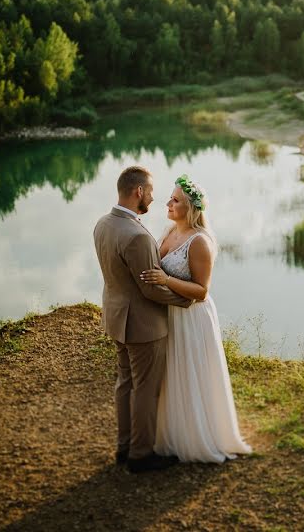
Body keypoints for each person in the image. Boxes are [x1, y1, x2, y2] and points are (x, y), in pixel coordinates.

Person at [140, 174, 252, 463]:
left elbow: (202, 291)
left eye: (175, 200)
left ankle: (198, 437)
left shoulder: (200, 242)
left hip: (191, 318)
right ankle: (172, 436)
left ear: (190, 208)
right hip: (168, 316)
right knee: (171, 376)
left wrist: (165, 279)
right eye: (170, 197)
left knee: (190, 375)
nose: (167, 203)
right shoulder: (168, 231)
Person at [93, 166, 192, 474]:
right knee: (146, 389)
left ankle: (123, 448)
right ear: (138, 192)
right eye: (150, 192)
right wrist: (186, 300)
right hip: (143, 326)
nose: (152, 197)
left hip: (115, 317)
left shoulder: (103, 224)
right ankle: (140, 454)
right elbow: (150, 290)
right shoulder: (136, 235)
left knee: (125, 384)